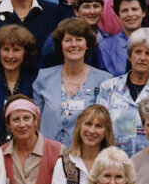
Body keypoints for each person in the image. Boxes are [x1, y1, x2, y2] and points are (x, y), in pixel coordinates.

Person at [34, 19, 112, 148]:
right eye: (68, 40)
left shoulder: (104, 80)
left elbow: (107, 124)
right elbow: (35, 122)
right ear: (61, 45)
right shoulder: (43, 78)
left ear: (87, 44)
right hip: (48, 154)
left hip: (87, 155)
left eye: (79, 39)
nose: (74, 44)